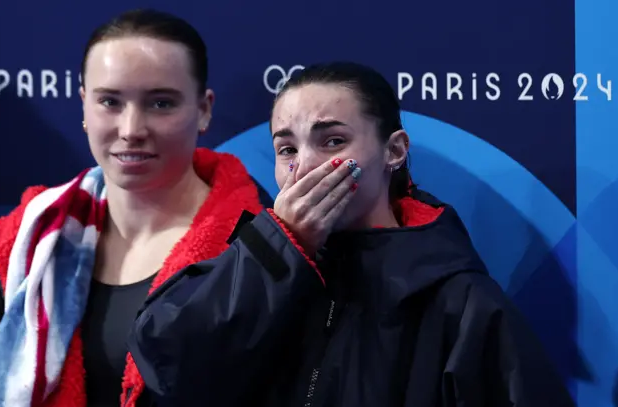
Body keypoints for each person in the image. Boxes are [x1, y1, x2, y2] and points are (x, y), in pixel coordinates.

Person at [127, 62, 577, 407]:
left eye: (333, 142)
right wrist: (282, 244)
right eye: (287, 149)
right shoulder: (252, 261)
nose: (304, 167)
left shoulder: (460, 300)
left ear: (394, 151)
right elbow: (165, 366)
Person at [0, 9, 264, 407]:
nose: (131, 129)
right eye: (110, 101)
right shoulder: (21, 247)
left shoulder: (258, 245)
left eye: (161, 103)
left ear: (204, 109)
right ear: (84, 105)